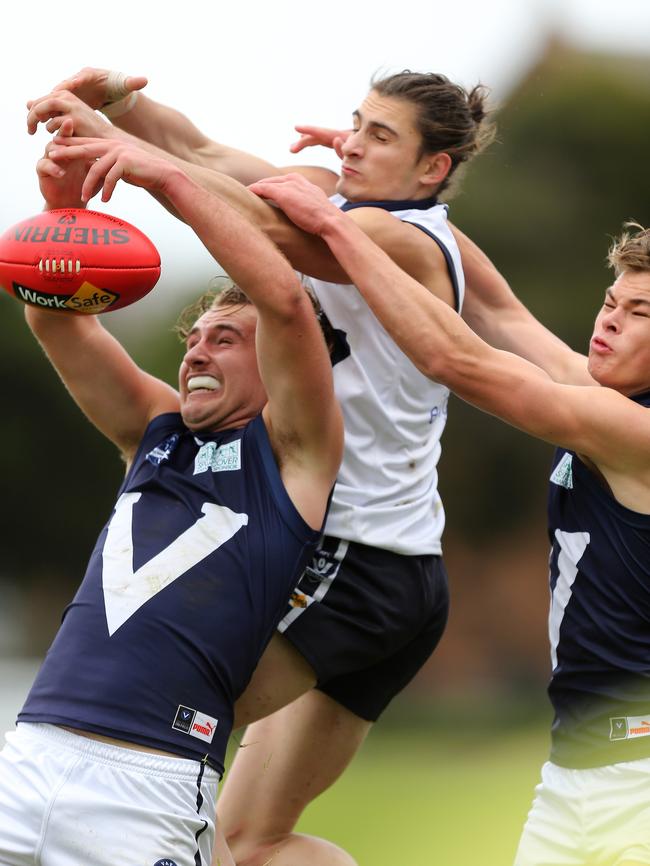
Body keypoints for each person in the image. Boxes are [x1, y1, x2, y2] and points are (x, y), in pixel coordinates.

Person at [32, 67, 592, 866]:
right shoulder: (333, 197)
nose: (354, 144)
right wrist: (122, 109)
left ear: (433, 170)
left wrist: (135, 157)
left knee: (158, 734)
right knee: (250, 840)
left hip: (351, 564)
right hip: (388, 567)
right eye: (356, 123)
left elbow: (268, 234)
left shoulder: (408, 238)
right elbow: (198, 148)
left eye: (381, 136)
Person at [248, 172, 650, 866]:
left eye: (639, 312)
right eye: (611, 300)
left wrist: (341, 226)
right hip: (574, 772)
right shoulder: (600, 393)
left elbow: (456, 359)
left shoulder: (630, 428)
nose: (608, 319)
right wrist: (387, 195)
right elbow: (497, 309)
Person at [0, 139, 342, 866]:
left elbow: (283, 299)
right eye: (193, 339)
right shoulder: (154, 432)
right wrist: (65, 215)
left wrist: (165, 176)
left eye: (225, 339)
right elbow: (55, 317)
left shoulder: (294, 457)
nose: (195, 353)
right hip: (27, 758)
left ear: (275, 363)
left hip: (147, 786)